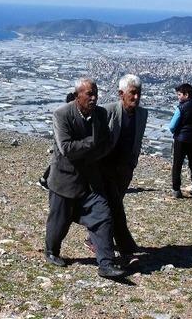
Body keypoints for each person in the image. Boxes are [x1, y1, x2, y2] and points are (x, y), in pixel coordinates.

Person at [44, 78, 125, 279]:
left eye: (95, 93)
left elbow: (106, 144)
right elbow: (66, 148)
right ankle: (51, 251)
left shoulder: (101, 114)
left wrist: (95, 152)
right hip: (64, 181)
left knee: (102, 216)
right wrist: (92, 144)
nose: (94, 98)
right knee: (59, 222)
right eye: (89, 94)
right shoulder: (62, 114)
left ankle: (106, 263)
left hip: (90, 181)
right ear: (77, 95)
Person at [99, 73, 148, 260]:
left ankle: (115, 241)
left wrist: (133, 163)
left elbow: (137, 139)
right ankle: (108, 242)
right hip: (107, 167)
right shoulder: (108, 111)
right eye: (133, 93)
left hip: (126, 168)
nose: (136, 97)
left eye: (139, 93)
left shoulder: (142, 114)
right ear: (121, 93)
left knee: (117, 203)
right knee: (111, 206)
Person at [167, 83, 192, 198]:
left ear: (186, 94)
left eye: (179, 94)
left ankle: (176, 189)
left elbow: (172, 126)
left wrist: (177, 131)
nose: (178, 97)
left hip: (180, 139)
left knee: (177, 164)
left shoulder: (181, 107)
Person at [38, 90, 78, 190]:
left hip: (62, 143)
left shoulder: (67, 112)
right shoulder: (66, 113)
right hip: (63, 143)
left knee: (57, 161)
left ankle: (45, 180)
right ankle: (45, 180)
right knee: (57, 162)